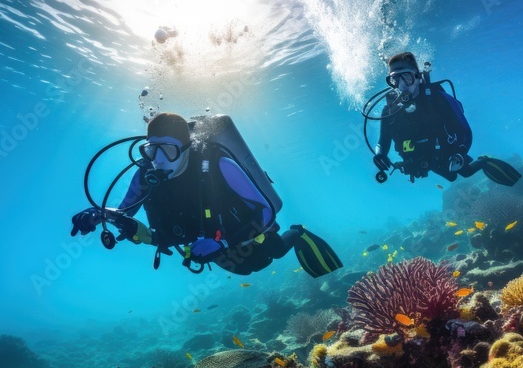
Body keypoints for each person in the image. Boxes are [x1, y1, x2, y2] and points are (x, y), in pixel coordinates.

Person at [70, 113, 342, 277]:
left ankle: (298, 232)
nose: (158, 160)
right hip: (203, 241)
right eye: (151, 150)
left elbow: (266, 209)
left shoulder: (216, 163)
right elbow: (124, 211)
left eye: (169, 150)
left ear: (187, 148)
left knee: (265, 259)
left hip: (244, 231)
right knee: (241, 270)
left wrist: (225, 244)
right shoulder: (145, 173)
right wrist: (99, 215)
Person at [372, 51, 521, 185]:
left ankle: (483, 161)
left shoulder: (439, 99)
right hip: (417, 159)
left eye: (406, 77)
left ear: (417, 77)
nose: (401, 85)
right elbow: (382, 142)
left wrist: (460, 153)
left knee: (464, 173)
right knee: (451, 178)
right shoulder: (390, 111)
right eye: (394, 80)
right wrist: (380, 155)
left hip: (444, 153)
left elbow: (465, 131)